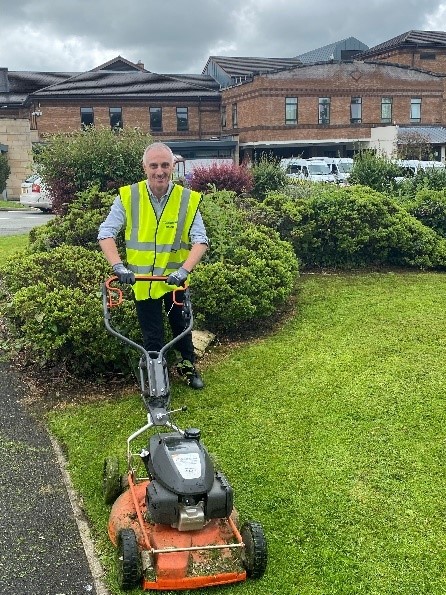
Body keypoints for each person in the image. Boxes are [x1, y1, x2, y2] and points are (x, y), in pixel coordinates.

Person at [98, 142, 208, 389]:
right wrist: (118, 267)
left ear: (173, 167)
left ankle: (188, 366)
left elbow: (201, 240)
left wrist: (183, 271)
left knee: (180, 326)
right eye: (154, 165)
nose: (160, 171)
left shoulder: (187, 200)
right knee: (152, 334)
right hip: (143, 282)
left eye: (165, 165)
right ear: (145, 167)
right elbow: (106, 233)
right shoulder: (129, 197)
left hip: (173, 283)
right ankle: (156, 374)